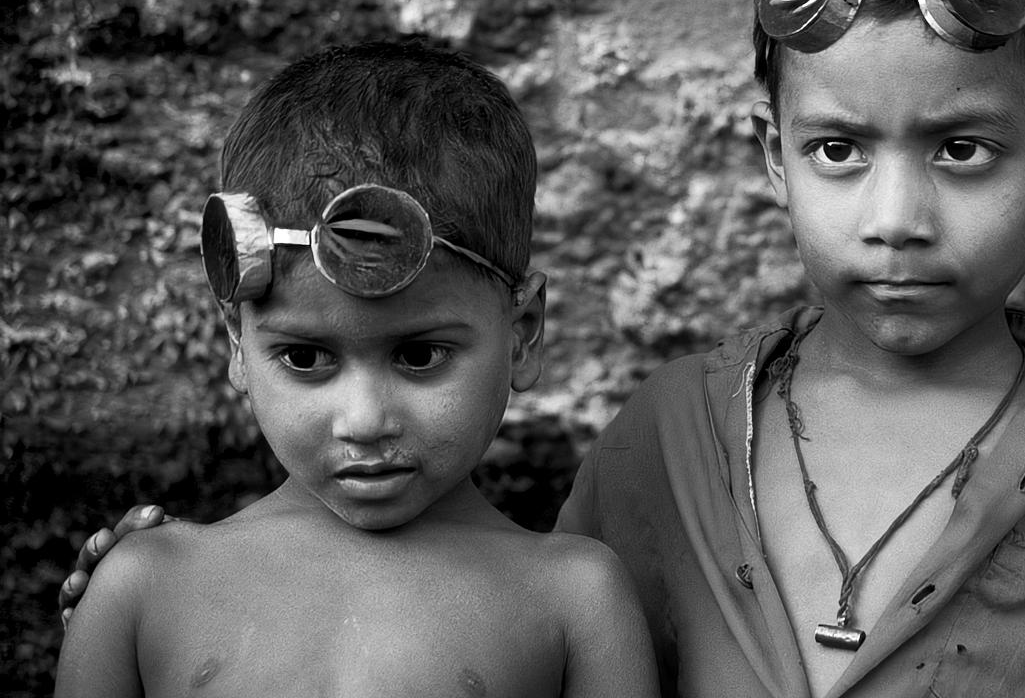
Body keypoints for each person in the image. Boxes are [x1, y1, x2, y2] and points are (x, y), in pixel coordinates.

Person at [62, 0, 1025, 698]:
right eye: (839, 149)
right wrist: (141, 592)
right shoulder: (667, 442)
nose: (897, 221)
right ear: (771, 155)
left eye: (963, 150)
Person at [53, 41, 657, 698]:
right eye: (305, 358)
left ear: (523, 334)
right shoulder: (146, 587)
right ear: (237, 341)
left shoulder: (574, 600)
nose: (365, 421)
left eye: (419, 356)